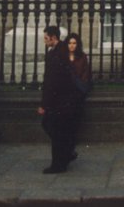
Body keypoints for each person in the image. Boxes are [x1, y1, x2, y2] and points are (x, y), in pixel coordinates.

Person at [38, 25, 78, 174]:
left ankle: (58, 164)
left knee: (54, 129)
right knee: (52, 127)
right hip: (63, 98)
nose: (44, 41)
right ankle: (67, 153)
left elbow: (51, 81)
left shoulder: (57, 54)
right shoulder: (59, 51)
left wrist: (44, 104)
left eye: (46, 38)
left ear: (53, 37)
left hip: (59, 99)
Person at [66, 32, 92, 160]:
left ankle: (72, 141)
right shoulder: (63, 57)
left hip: (78, 91)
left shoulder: (82, 57)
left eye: (74, 43)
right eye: (70, 43)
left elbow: (85, 74)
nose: (72, 45)